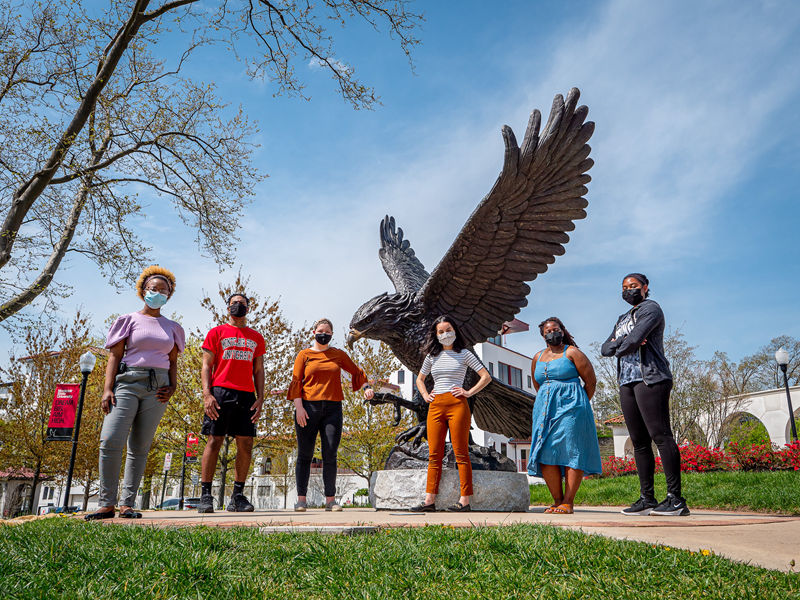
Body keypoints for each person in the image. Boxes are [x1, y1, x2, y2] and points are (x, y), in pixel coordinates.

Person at [85, 266, 185, 520]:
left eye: (164, 289)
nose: (158, 292)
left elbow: (173, 361)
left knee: (139, 446)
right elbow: (114, 355)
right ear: (143, 291)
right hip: (127, 383)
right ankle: (105, 503)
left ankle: (126, 504)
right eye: (154, 288)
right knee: (110, 440)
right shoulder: (128, 320)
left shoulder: (173, 327)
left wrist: (172, 387)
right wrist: (108, 389)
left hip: (158, 387)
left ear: (169, 295)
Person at [601, 273, 689, 516]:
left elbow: (633, 341)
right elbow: (605, 349)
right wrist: (624, 340)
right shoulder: (622, 318)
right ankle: (647, 498)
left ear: (645, 287)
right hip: (626, 381)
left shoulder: (651, 309)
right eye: (624, 287)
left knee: (660, 435)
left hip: (651, 377)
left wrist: (625, 341)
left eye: (633, 286)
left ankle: (676, 499)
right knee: (639, 442)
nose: (628, 290)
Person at [288, 318, 374, 511]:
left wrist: (366, 387)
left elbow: (357, 371)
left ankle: (331, 500)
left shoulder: (337, 354)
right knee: (305, 454)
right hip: (307, 408)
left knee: (330, 454)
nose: (323, 334)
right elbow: (296, 382)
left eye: (327, 332)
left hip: (333, 409)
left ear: (331, 335)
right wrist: (299, 407)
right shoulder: (304, 355)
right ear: (314, 333)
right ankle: (301, 500)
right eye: (320, 331)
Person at [412, 316, 492, 512]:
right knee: (434, 454)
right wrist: (425, 395)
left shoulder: (464, 354)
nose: (445, 334)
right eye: (440, 331)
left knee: (461, 453)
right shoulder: (432, 356)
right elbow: (420, 379)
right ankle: (429, 501)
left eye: (448, 330)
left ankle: (464, 501)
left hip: (458, 404)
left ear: (454, 331)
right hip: (436, 405)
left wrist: (468, 392)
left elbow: (486, 376)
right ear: (436, 335)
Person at [197, 293, 265, 513]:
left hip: (246, 395)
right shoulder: (216, 333)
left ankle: (237, 496)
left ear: (248, 308)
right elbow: (206, 366)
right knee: (214, 440)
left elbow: (258, 369)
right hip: (220, 392)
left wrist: (261, 397)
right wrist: (207, 394)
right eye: (234, 303)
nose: (238, 306)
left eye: (243, 304)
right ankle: (206, 496)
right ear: (228, 308)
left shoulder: (256, 337)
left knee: (245, 444)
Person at [527, 317, 601, 514]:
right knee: (545, 452)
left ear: (562, 330)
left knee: (571, 450)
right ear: (543, 336)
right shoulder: (537, 357)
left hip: (572, 408)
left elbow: (591, 382)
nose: (553, 333)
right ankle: (557, 500)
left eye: (556, 329)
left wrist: (579, 404)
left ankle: (568, 501)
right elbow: (538, 385)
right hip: (544, 410)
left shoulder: (573, 352)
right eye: (548, 331)